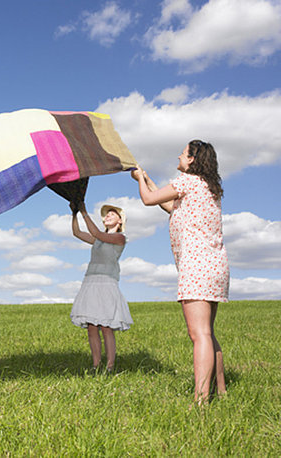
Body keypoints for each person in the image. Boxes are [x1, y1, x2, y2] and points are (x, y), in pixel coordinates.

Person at [132, 140, 229, 405]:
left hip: (196, 267)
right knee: (208, 332)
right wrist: (148, 178)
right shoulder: (208, 187)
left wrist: (140, 180)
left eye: (183, 153)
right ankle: (221, 390)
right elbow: (169, 206)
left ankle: (200, 401)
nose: (178, 155)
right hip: (215, 268)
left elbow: (149, 200)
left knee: (198, 335)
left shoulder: (186, 181)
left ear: (192, 161)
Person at [69, 201, 133, 372]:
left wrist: (83, 211)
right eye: (106, 214)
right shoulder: (98, 240)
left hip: (107, 282)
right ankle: (96, 365)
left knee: (105, 326)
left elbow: (95, 232)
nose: (107, 216)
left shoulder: (120, 238)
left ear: (120, 221)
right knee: (91, 327)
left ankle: (110, 366)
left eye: (112, 214)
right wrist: (75, 213)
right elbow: (77, 232)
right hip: (91, 280)